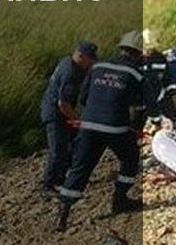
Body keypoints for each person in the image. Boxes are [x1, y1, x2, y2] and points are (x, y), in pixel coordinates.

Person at [56, 31, 146, 231]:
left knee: (80, 167)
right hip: (115, 127)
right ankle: (120, 200)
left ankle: (63, 214)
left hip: (88, 126)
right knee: (130, 158)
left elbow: (83, 98)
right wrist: (136, 130)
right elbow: (139, 107)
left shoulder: (98, 66)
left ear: (121, 48)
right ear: (139, 53)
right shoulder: (136, 74)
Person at [40, 41, 98, 196]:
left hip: (61, 111)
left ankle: (64, 177)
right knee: (58, 150)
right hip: (55, 113)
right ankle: (49, 184)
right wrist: (78, 120)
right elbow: (63, 103)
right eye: (90, 59)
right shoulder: (71, 73)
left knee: (75, 144)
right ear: (80, 55)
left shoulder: (67, 61)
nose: (91, 62)